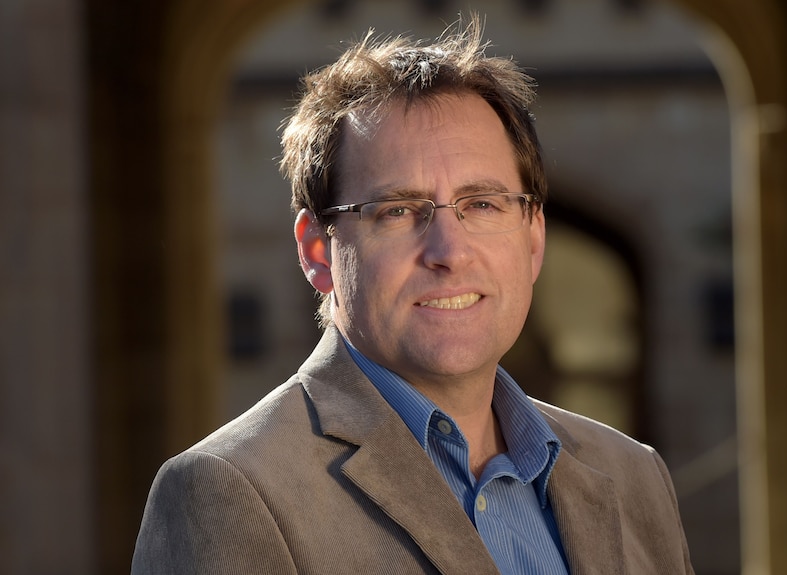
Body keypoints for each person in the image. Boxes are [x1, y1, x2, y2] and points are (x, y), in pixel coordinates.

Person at [132, 15, 694, 574]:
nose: (449, 251)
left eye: (483, 204)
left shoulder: (633, 475)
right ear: (318, 251)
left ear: (533, 239)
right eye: (398, 211)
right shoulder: (230, 494)